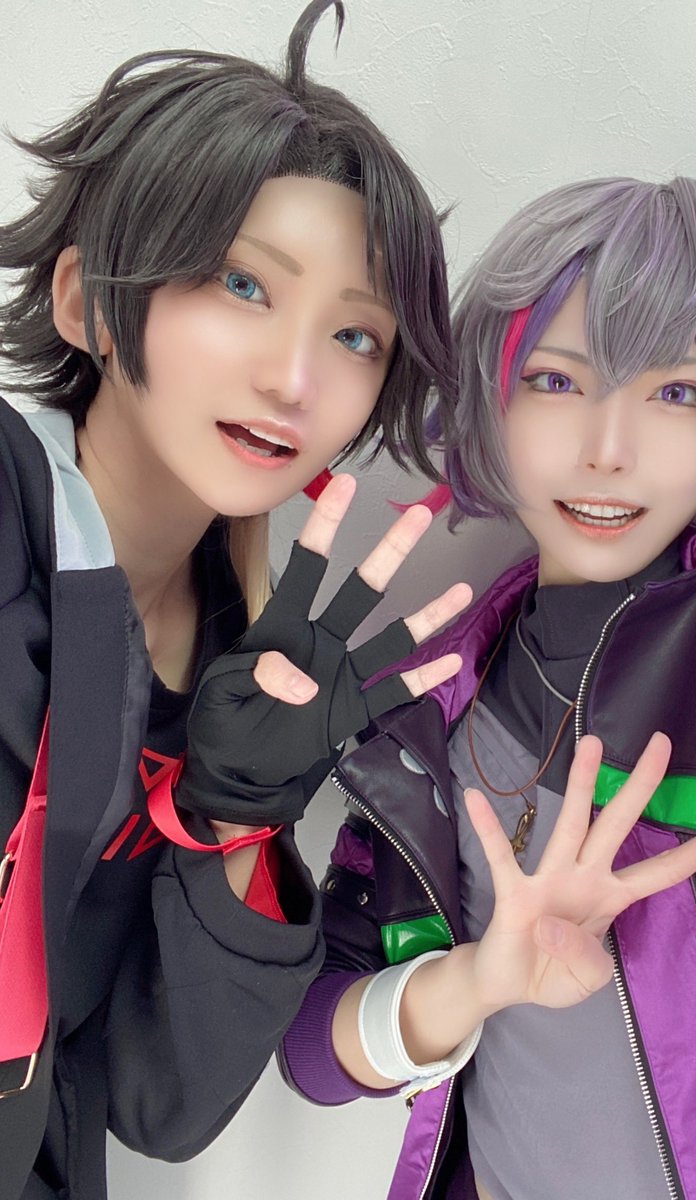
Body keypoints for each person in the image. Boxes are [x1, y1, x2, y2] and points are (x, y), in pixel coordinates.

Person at [280, 176, 696, 1199]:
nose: (607, 452)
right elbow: (315, 1052)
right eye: (555, 380)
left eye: (678, 393)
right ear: (491, 398)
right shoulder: (434, 708)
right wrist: (479, 978)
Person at [0, 2, 473, 1197]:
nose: (296, 377)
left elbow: (157, 1104)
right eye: (241, 283)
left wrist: (233, 819)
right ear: (87, 303)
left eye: (358, 335)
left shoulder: (242, 671)